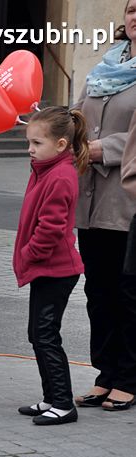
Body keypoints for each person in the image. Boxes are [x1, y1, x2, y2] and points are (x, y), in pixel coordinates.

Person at [73, 0, 136, 412]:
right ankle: (105, 373)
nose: (135, 16)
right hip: (89, 199)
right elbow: (78, 116)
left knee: (127, 292)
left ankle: (129, 377)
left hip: (125, 200)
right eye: (131, 8)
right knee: (97, 291)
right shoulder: (105, 66)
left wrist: (102, 149)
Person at [14, 107, 88, 425]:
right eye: (29, 142)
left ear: (60, 145)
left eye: (37, 143)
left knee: (45, 335)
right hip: (47, 268)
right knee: (38, 334)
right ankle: (51, 398)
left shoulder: (60, 175)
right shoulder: (45, 169)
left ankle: (62, 403)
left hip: (56, 269)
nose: (30, 149)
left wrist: (30, 254)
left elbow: (52, 227)